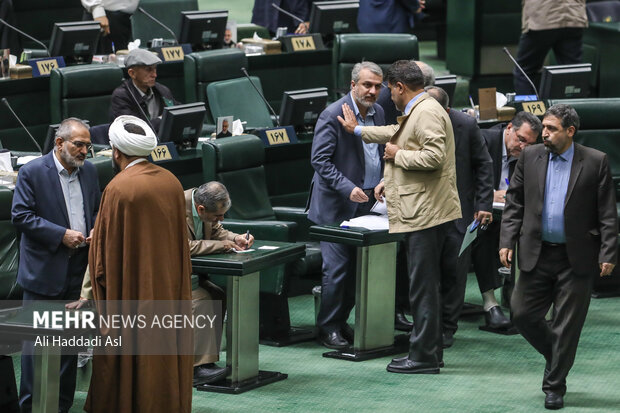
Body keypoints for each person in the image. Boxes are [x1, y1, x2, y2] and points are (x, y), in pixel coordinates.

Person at [339, 60, 461, 374]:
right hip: (427, 209)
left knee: (422, 288)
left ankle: (421, 357)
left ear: (399, 87)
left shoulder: (426, 112)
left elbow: (432, 157)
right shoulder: (423, 108)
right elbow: (397, 132)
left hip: (425, 212)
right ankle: (430, 352)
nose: (387, 96)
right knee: (426, 286)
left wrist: (396, 156)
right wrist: (358, 130)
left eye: (389, 89)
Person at [499, 104, 617, 410]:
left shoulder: (595, 161)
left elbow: (607, 213)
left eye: (551, 128)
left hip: (575, 256)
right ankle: (558, 353)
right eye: (543, 127)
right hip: (536, 251)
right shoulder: (530, 156)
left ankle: (554, 385)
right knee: (521, 314)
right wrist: (507, 239)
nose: (544, 133)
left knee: (567, 325)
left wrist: (608, 252)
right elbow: (515, 202)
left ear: (570, 131)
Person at [85, 115, 193, 413]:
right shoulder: (172, 182)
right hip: (168, 292)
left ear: (116, 153)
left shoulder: (119, 188)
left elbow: (103, 259)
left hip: (131, 295)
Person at [12, 118, 100, 413]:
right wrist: (61, 234)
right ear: (59, 143)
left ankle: (60, 407)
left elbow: (97, 209)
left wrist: (97, 228)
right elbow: (21, 216)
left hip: (78, 272)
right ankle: (31, 408)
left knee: (68, 349)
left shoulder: (90, 173)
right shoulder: (32, 172)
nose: (85, 151)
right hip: (44, 273)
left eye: (88, 145)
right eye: (79, 144)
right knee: (37, 351)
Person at [308, 61, 385, 349]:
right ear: (353, 85)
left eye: (377, 86)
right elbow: (320, 161)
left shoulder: (378, 112)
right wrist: (347, 187)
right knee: (337, 269)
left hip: (368, 202)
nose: (372, 91)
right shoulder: (332, 114)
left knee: (356, 269)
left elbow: (378, 154)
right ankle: (328, 327)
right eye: (367, 85)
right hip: (337, 205)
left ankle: (342, 322)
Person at [424, 86, 494, 347]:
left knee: (454, 272)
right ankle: (425, 327)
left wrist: (484, 202)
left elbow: (484, 164)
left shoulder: (465, 124)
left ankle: (447, 328)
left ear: (447, 110)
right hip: (426, 211)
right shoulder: (413, 120)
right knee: (426, 273)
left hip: (459, 212)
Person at [474, 112, 541, 319]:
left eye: (529, 144)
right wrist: (490, 194)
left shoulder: (528, 155)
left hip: (507, 214)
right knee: (485, 231)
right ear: (509, 128)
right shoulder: (483, 141)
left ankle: (522, 296)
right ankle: (490, 302)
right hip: (476, 212)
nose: (522, 147)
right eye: (521, 139)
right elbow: (460, 179)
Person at [186, 181, 253, 384]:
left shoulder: (204, 206)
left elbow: (216, 229)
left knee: (217, 294)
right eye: (218, 215)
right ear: (201, 209)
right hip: (161, 274)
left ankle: (206, 362)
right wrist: (221, 246)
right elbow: (181, 246)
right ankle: (195, 369)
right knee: (203, 298)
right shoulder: (172, 207)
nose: (221, 219)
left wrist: (236, 238)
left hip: (191, 273)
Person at [513, 0, 587, 94]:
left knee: (524, 72)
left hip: (541, 18)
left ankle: (527, 107)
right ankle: (573, 107)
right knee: (572, 73)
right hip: (573, 16)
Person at [109, 48, 178, 132]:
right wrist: (163, 120)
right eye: (148, 70)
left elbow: (178, 112)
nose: (155, 75)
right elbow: (135, 131)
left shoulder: (162, 90)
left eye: (155, 69)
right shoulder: (121, 96)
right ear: (132, 73)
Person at [358, 0, 425, 34]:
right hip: (390, 23)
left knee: (370, 56)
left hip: (366, 20)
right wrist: (416, 6)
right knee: (395, 58)